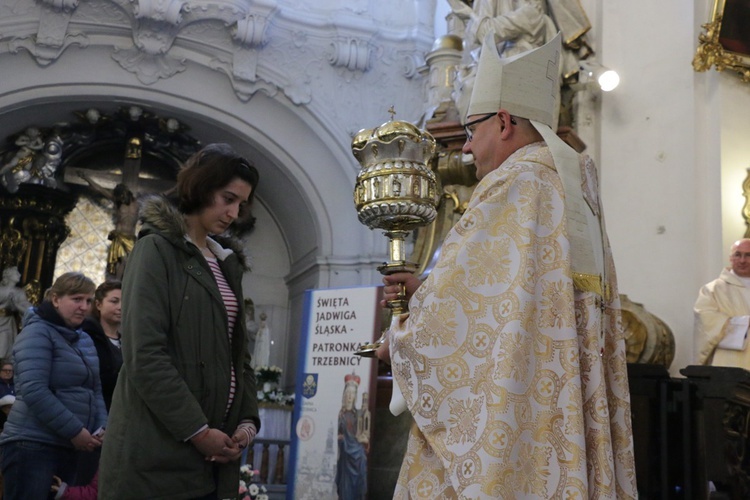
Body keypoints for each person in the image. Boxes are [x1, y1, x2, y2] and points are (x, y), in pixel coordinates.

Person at [376, 34, 637, 498]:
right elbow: (513, 297)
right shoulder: (573, 184)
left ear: (502, 121)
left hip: (517, 402)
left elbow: (461, 317)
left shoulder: (516, 181)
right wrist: (425, 287)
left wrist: (399, 341)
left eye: (472, 131)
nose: (467, 150)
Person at [98, 143, 262, 499]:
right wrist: (198, 431)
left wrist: (246, 422)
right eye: (227, 198)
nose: (233, 212)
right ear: (202, 187)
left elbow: (239, 356)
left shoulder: (225, 263)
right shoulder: (155, 250)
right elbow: (145, 354)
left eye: (240, 204)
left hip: (214, 457)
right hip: (158, 454)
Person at [0, 272, 107, 499]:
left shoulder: (84, 338)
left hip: (69, 445)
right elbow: (34, 390)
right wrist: (76, 431)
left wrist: (100, 427)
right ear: (56, 299)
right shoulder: (37, 332)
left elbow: (94, 389)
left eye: (88, 301)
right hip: (32, 443)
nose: (84, 307)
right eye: (77, 299)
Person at [695, 239, 750, 368]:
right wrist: (745, 323)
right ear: (731, 258)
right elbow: (705, 322)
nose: (742, 260)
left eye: (748, 255)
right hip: (730, 362)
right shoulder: (712, 290)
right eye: (738, 254)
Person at [78, 171, 139, 279]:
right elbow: (100, 189)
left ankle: (122, 283)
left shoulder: (137, 203)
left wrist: (175, 188)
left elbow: (159, 195)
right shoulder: (117, 202)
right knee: (123, 260)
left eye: (122, 194)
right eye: (119, 195)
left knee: (130, 263)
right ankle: (118, 283)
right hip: (120, 236)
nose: (121, 197)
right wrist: (87, 178)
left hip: (131, 238)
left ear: (126, 193)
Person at [81, 281, 122, 411]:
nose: (121, 307)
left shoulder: (127, 340)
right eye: (114, 301)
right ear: (98, 304)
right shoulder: (87, 335)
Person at [335, 372, 367, 500]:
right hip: (345, 456)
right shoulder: (341, 414)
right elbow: (339, 435)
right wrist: (341, 439)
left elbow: (362, 433)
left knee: (363, 459)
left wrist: (362, 441)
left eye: (352, 393)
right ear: (344, 395)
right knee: (345, 488)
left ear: (355, 397)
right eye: (347, 393)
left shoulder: (358, 414)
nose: (349, 396)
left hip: (357, 453)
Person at [0, 267, 31, 360]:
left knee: (3, 350)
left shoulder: (19, 292)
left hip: (7, 322)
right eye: (16, 273)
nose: (19, 275)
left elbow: (27, 308)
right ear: (8, 275)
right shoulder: (1, 289)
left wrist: (17, 305)